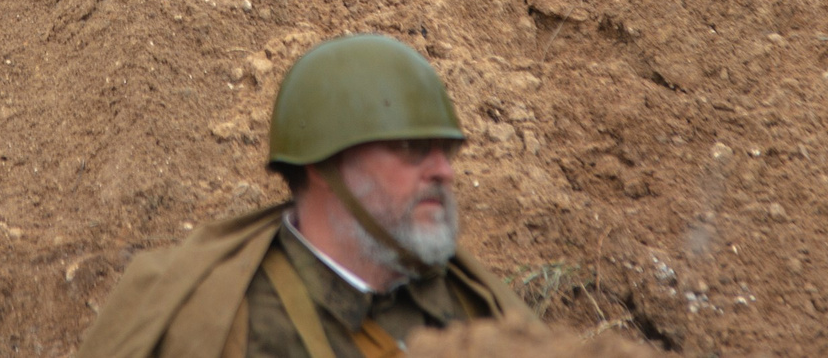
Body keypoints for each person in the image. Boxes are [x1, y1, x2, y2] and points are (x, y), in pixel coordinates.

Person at [77, 35, 529, 358]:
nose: (444, 172)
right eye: (410, 149)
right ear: (322, 165)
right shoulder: (225, 322)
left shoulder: (472, 304)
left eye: (446, 151)